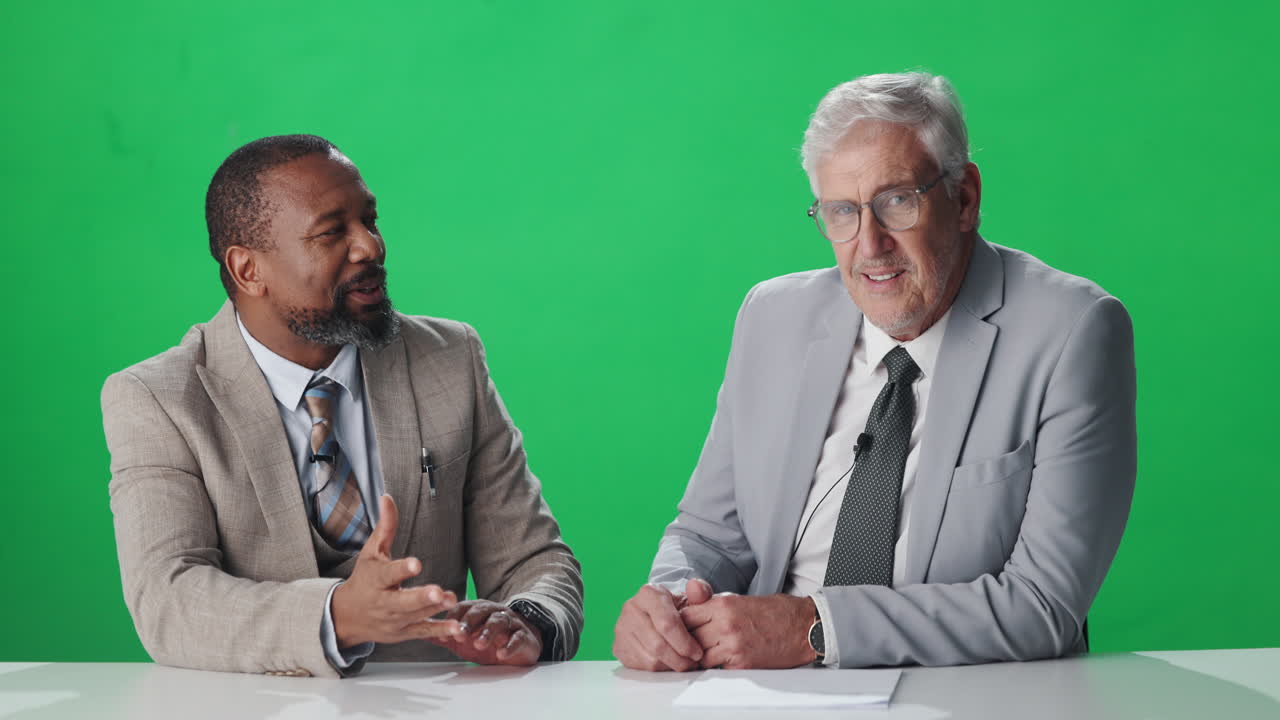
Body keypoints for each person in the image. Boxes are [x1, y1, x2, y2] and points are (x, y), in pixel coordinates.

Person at [613, 72, 1137, 670]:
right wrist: (671, 603)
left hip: (965, 700)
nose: (869, 244)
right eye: (841, 212)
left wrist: (816, 628)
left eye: (897, 201)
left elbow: (1043, 605)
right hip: (758, 692)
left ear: (963, 198)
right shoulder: (771, 317)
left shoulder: (1073, 331)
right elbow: (709, 535)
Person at [102, 135, 583, 678]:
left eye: (370, 221)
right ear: (247, 270)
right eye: (332, 232)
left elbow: (534, 559)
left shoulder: (450, 360)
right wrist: (338, 616)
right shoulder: (158, 399)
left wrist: (528, 621)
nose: (370, 248)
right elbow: (168, 600)